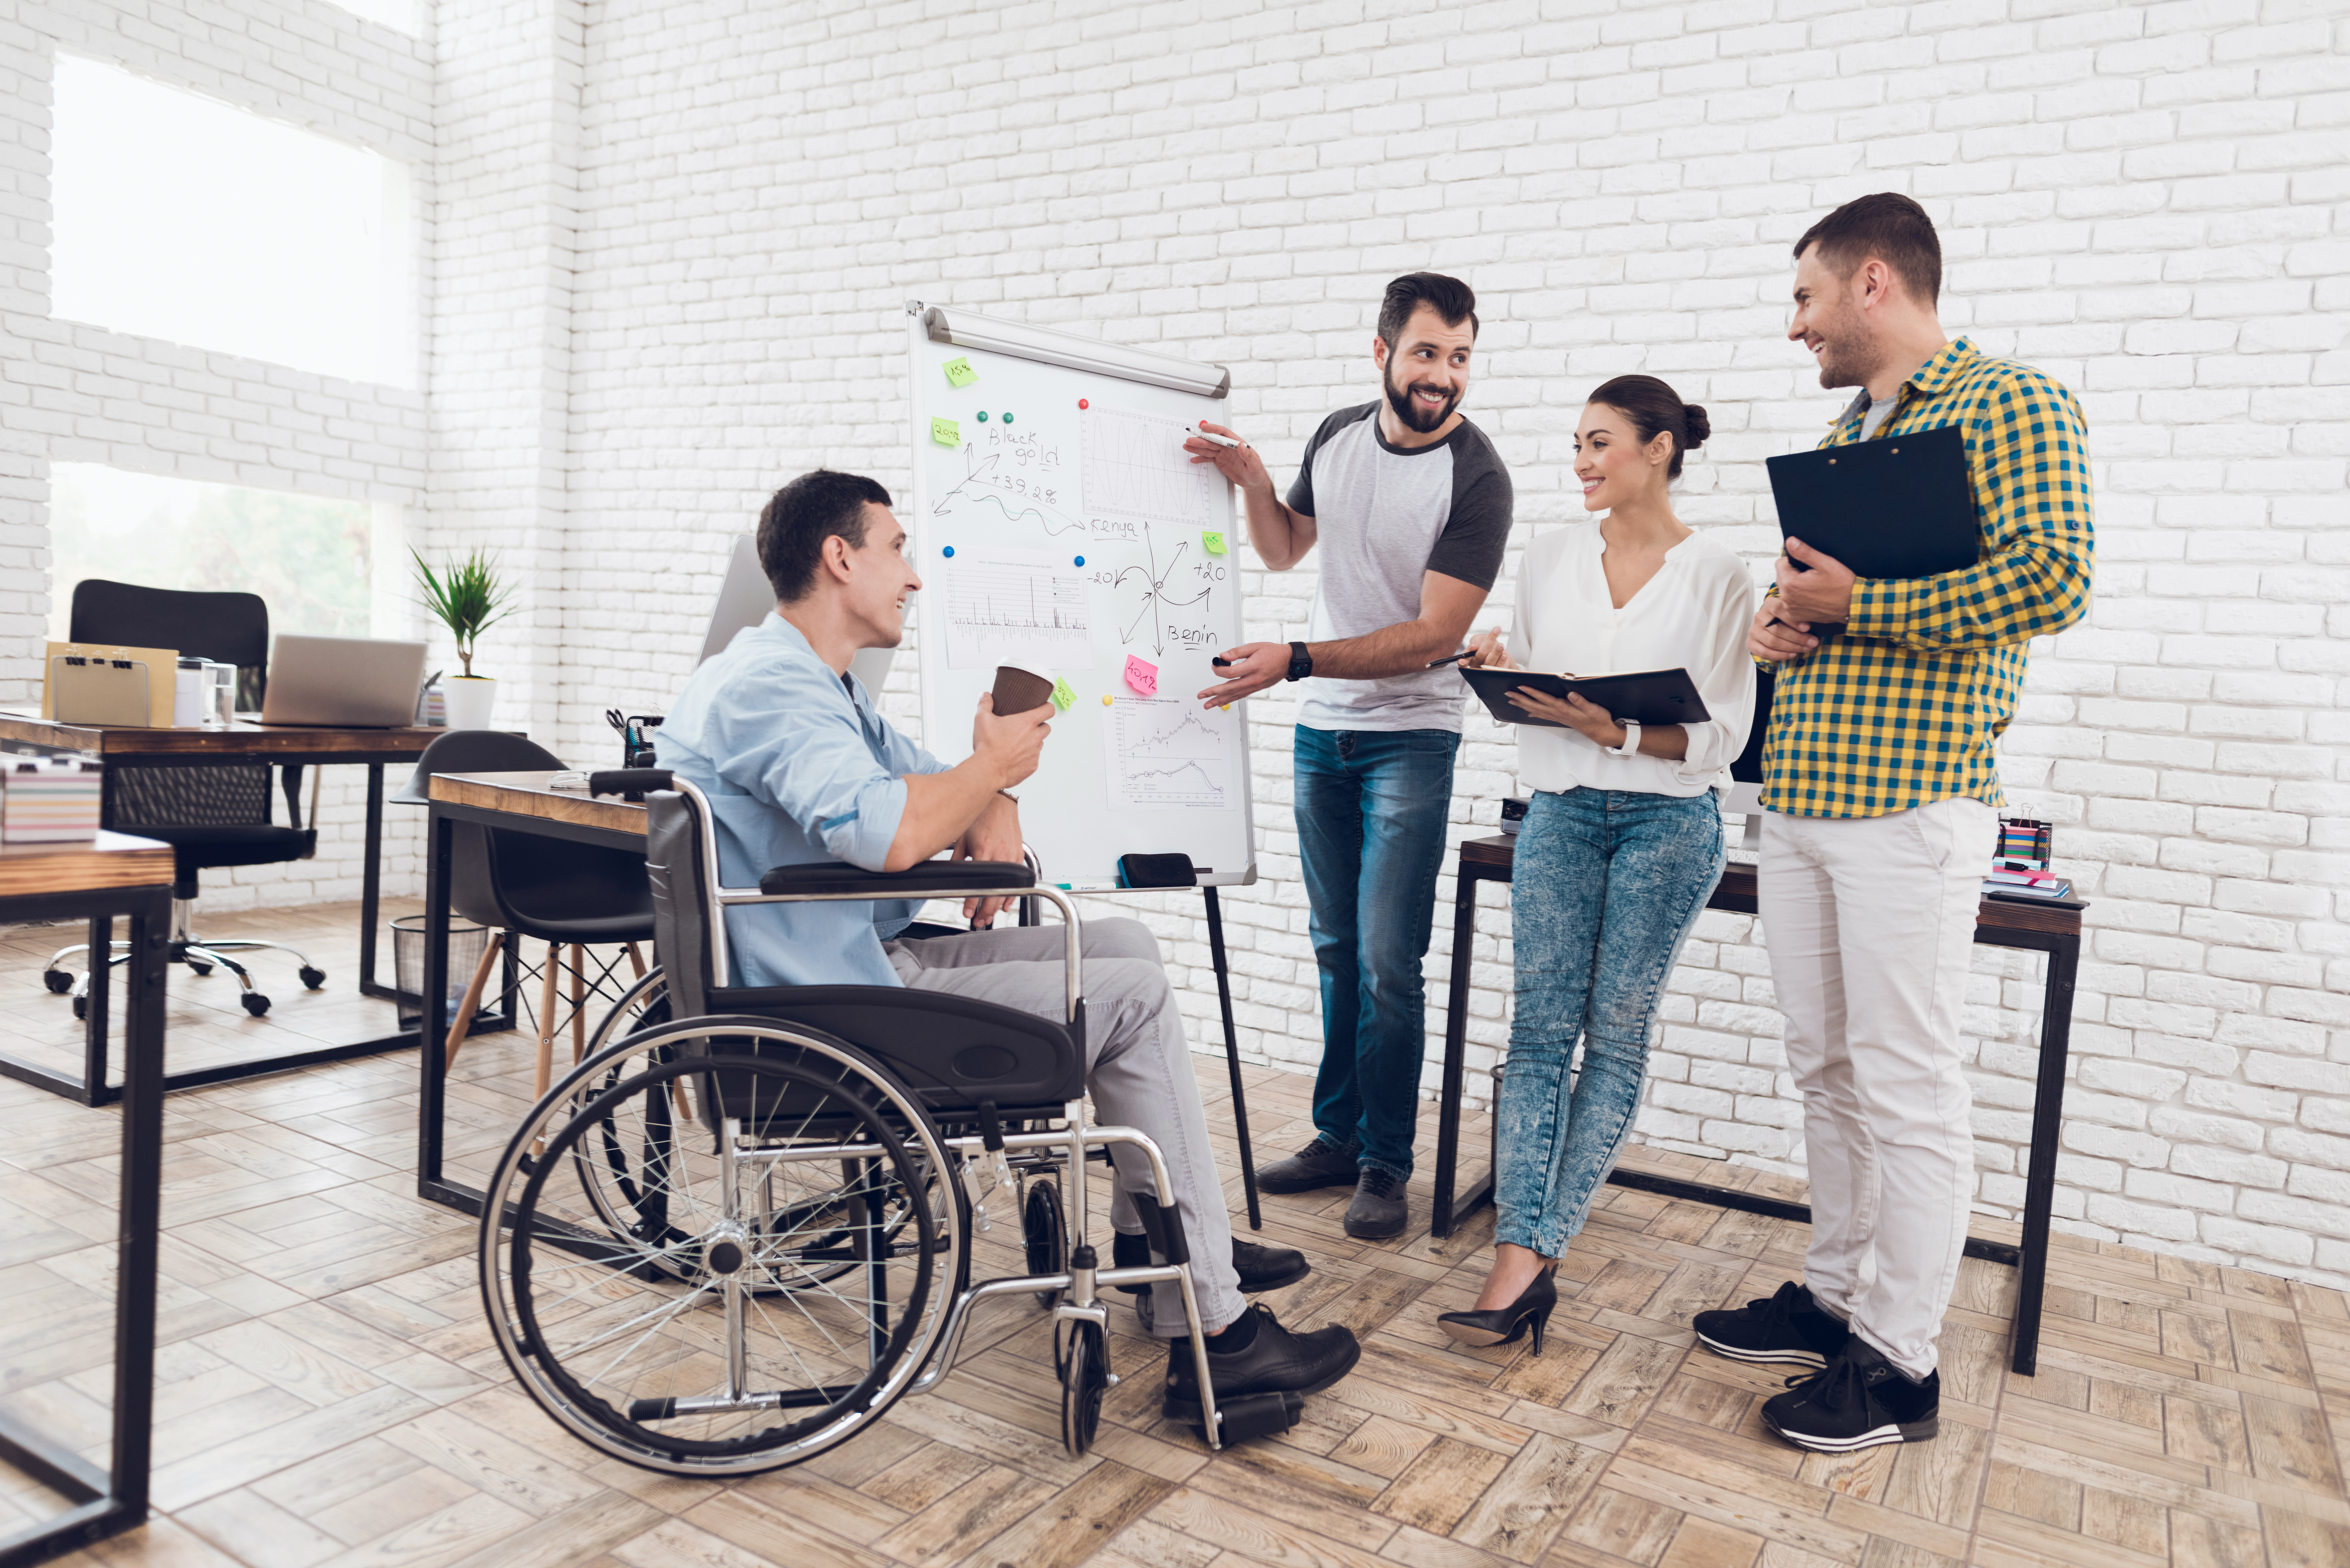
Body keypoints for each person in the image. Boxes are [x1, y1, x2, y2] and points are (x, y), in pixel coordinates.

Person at [659, 468, 1362, 1423]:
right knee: (1133, 999)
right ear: (839, 558)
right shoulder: (770, 690)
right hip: (824, 1017)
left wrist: (995, 793)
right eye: (897, 549)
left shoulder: (809, 682)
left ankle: (1170, 1256)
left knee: (1124, 945)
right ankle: (1216, 1334)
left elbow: (927, 780)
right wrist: (990, 769)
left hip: (846, 976)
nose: (912, 576)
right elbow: (892, 832)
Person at [1693, 194, 2095, 1453]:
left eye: (1805, 296)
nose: (1793, 323)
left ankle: (1900, 1362)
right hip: (1804, 794)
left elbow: (2053, 577)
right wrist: (1778, 623)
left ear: (1873, 283)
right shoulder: (1843, 429)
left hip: (1911, 800)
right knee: (1824, 1064)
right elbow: (1820, 598)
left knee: (1908, 1083)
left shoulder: (2011, 402)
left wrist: (1857, 601)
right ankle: (1831, 1296)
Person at [1185, 273, 1513, 1240]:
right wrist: (1252, 485)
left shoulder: (1479, 477)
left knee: (1386, 959)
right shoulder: (1336, 435)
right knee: (1335, 951)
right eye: (1426, 354)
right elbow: (1286, 550)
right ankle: (1337, 1136)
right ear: (1383, 355)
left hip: (1412, 733)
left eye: (1459, 358)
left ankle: (1386, 1162)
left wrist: (1294, 659)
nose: (1443, 376)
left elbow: (1432, 635)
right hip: (1322, 732)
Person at [1433, 377, 1756, 1353]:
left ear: (1658, 449)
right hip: (1562, 814)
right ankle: (1519, 1261)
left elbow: (1724, 741)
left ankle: (1527, 1255)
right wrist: (1495, 660)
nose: (1580, 460)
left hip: (1667, 826)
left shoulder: (1721, 577)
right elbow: (1529, 675)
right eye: (1577, 442)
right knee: (1537, 1035)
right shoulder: (1549, 555)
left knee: (1613, 1038)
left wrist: (1612, 727)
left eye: (1600, 442)